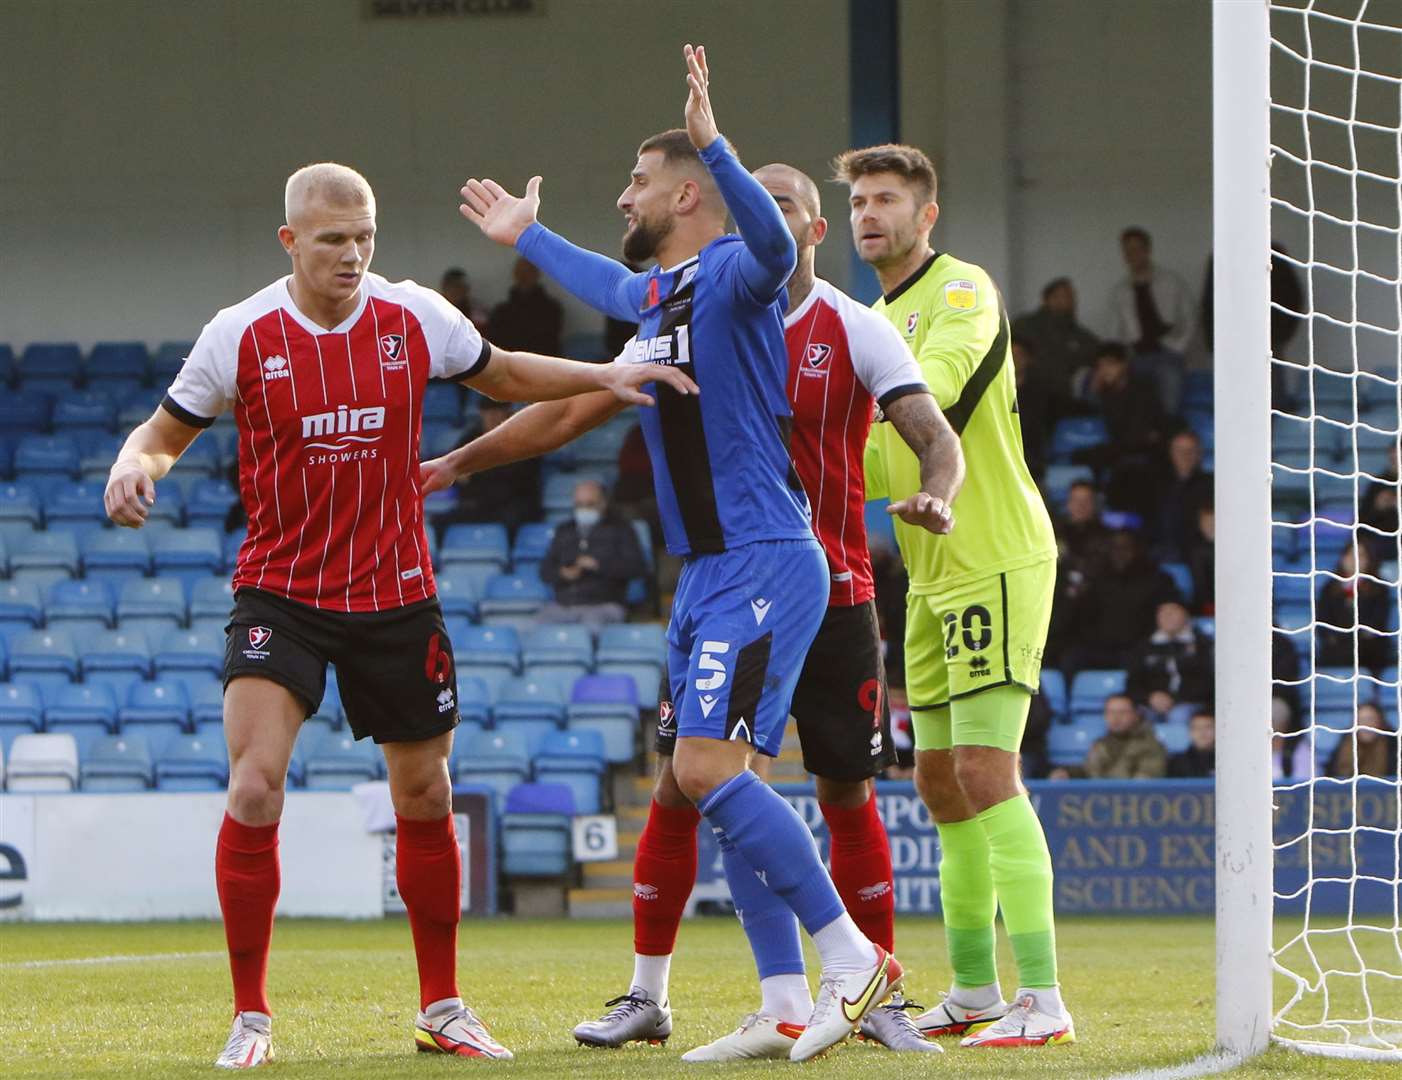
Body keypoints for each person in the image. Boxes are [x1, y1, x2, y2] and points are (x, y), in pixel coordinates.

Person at [101, 161, 695, 1069]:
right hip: (282, 593)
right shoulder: (240, 333)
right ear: (290, 241)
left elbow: (501, 377)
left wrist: (604, 374)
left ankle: (442, 1009)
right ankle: (250, 1017)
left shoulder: (413, 314)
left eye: (365, 235)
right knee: (254, 787)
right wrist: (131, 465)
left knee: (426, 796)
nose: (352, 253)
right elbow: (163, 434)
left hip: (395, 592)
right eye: (332, 238)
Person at [431, 46, 937, 1063]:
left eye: (636, 181)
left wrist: (713, 137)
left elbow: (765, 231)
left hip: (763, 557)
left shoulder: (743, 275)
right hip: (706, 570)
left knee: (708, 768)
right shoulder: (660, 299)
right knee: (717, 776)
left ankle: (852, 960)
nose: (623, 194)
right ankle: (788, 1002)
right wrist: (527, 238)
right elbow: (608, 294)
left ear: (687, 193)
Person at [835, 142, 1075, 1048]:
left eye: (887, 198)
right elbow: (856, 455)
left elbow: (929, 391)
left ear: (925, 214)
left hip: (996, 558)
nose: (869, 214)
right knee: (937, 782)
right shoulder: (868, 316)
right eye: (858, 199)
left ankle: (1043, 999)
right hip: (926, 576)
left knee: (983, 770)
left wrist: (850, 403)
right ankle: (975, 989)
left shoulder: (963, 290)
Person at [1062, 529, 1180, 676]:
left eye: (1126, 548)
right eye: (1114, 548)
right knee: (1071, 659)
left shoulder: (1157, 580)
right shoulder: (1097, 580)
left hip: (1137, 648)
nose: (1120, 554)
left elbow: (1169, 615)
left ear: (1137, 550)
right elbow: (1080, 619)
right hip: (1098, 648)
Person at [537, 479, 646, 629]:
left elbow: (637, 567)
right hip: (563, 605)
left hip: (603, 605)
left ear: (603, 503)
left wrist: (597, 565)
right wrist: (563, 573)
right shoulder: (564, 530)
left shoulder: (621, 529)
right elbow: (545, 571)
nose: (584, 509)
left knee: (589, 630)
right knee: (538, 629)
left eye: (590, 504)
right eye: (579, 505)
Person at [1108, 226, 1194, 416]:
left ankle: (1168, 432)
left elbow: (1189, 320)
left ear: (1147, 250)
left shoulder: (1172, 282)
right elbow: (1115, 332)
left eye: (1137, 249)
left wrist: (1177, 348)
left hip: (1168, 353)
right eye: (1128, 251)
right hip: (1135, 357)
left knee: (1169, 379)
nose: (1133, 255)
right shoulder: (1120, 291)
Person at [1076, 342, 1165, 519]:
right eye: (1100, 366)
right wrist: (1095, 393)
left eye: (1110, 364)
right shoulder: (1106, 392)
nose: (1105, 370)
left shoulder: (1142, 390)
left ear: (1123, 365)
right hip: (1120, 450)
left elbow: (1140, 434)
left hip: (1143, 452)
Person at [434, 397, 541, 538]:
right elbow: (454, 465)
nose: (493, 417)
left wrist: (475, 473)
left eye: (498, 411)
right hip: (480, 503)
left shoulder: (522, 436)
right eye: (488, 412)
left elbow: (519, 476)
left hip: (513, 503)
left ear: (508, 412)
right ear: (481, 413)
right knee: (439, 522)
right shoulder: (472, 437)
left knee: (513, 519)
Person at [1124, 601, 1213, 727]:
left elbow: (1207, 681)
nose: (1167, 616)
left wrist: (1174, 699)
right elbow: (1133, 682)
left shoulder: (1203, 645)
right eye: (1162, 612)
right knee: (1133, 716)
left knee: (1178, 715)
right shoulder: (1143, 647)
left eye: (1172, 611)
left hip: (1190, 703)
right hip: (1151, 704)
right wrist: (1149, 697)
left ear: (1185, 614)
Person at [1011, 277, 1099, 400]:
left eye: (1071, 297)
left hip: (1065, 397)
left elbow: (1100, 354)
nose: (1069, 301)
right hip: (1026, 394)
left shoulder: (1079, 336)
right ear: (1047, 300)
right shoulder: (1024, 327)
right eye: (1063, 296)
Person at [1316, 542, 1393, 670]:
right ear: (1343, 558)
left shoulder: (1379, 588)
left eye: (1361, 555)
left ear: (1369, 560)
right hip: (1337, 650)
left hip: (1369, 651)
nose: (1355, 559)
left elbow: (1378, 622)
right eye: (1351, 554)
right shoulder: (1329, 588)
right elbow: (1323, 622)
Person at [1153, 430, 1213, 563]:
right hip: (1159, 553)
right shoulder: (1157, 485)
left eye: (1190, 450)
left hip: (1195, 556)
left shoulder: (1211, 486)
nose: (1184, 455)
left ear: (1199, 454)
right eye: (1179, 450)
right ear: (1171, 453)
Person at [487, 256, 565, 356]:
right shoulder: (501, 311)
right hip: (508, 362)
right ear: (515, 275)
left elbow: (548, 341)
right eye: (519, 272)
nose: (523, 276)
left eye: (528, 272)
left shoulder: (552, 309)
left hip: (541, 362)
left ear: (536, 274)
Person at [1084, 695, 1168, 780]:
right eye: (1110, 712)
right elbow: (1088, 772)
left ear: (1135, 715)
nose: (1115, 718)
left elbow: (1145, 779)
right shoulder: (1099, 744)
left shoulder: (1151, 745)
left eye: (1122, 712)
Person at [1326, 703, 1398, 779]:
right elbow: (1331, 774)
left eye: (1370, 719)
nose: (1365, 724)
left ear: (1380, 721)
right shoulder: (1345, 742)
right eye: (1361, 720)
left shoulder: (1393, 744)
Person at [1167, 710, 1216, 778]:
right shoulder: (1176, 762)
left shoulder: (1228, 760)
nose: (1202, 732)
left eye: (1208, 727)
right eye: (1197, 728)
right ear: (1190, 732)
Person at [438, 267, 488, 331]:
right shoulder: (436, 306)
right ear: (444, 287)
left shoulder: (476, 310)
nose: (458, 291)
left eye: (462, 287)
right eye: (454, 287)